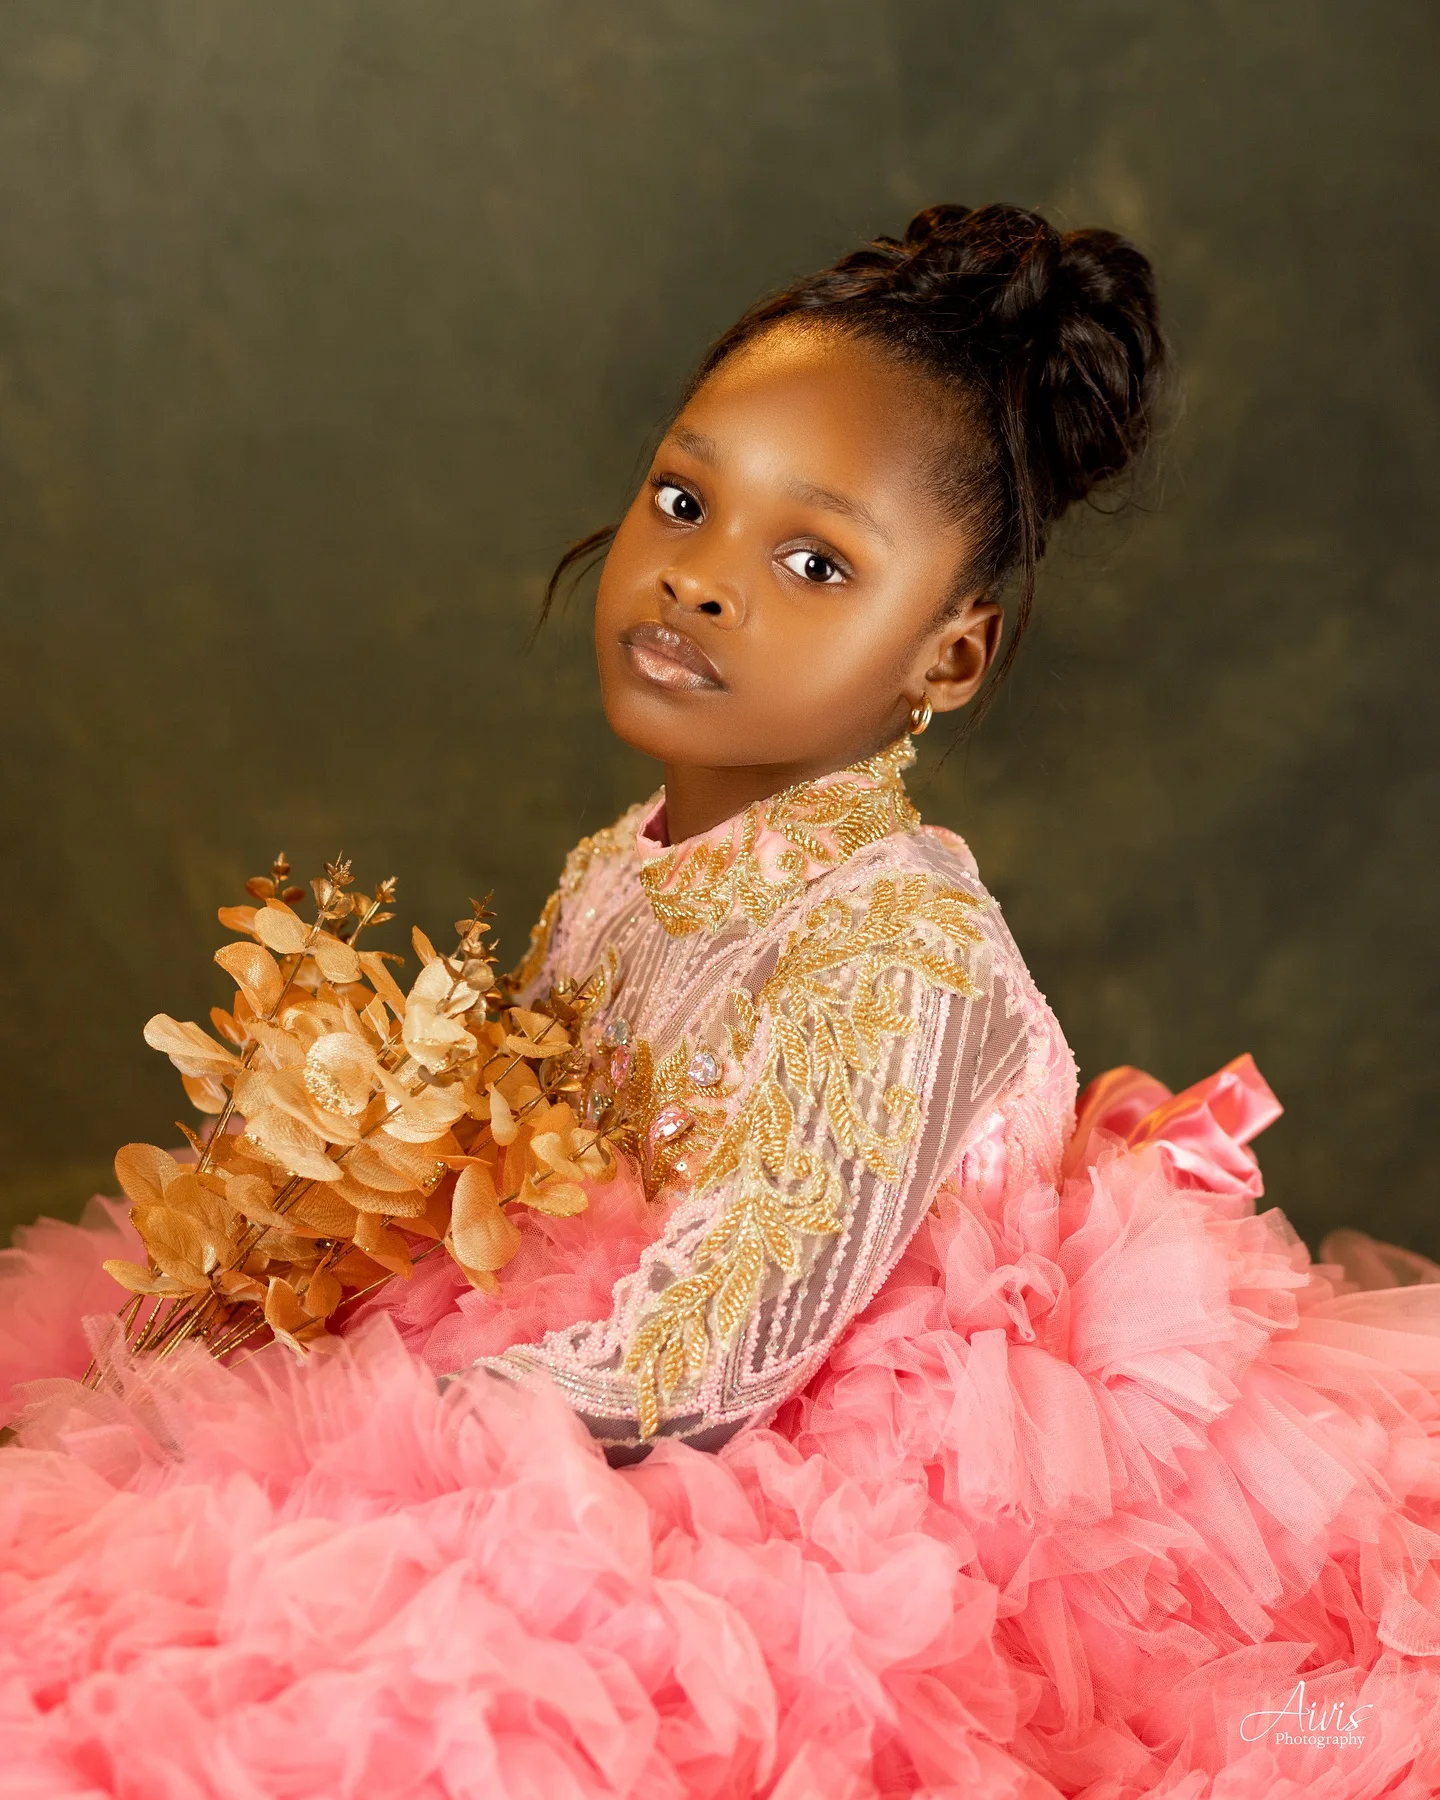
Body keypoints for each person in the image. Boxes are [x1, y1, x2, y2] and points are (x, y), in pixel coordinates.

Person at [3, 203, 1439, 1798]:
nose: (697, 580)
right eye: (684, 501)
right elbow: (508, 1188)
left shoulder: (897, 948)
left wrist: (293, 1435)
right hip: (593, 1371)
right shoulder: (621, 867)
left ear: (946, 659)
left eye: (812, 560)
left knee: (291, 1670)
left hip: (800, 1467)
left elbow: (702, 1364)